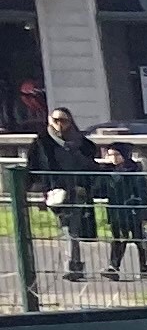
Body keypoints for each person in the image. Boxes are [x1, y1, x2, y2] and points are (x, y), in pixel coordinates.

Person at [21, 108, 107, 281]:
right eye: (56, 120)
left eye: (64, 120)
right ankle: (74, 264)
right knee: (67, 227)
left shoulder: (81, 143)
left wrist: (88, 183)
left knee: (71, 227)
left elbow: (91, 166)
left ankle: (74, 265)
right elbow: (33, 168)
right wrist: (30, 190)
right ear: (49, 120)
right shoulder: (41, 143)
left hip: (77, 191)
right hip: (54, 191)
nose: (60, 124)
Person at [97, 141, 147, 282]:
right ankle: (113, 267)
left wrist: (144, 212)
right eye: (110, 154)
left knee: (139, 239)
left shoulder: (134, 172)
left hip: (133, 211)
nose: (112, 158)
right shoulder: (109, 172)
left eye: (116, 154)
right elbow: (102, 191)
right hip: (116, 212)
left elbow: (143, 193)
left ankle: (145, 267)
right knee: (118, 239)